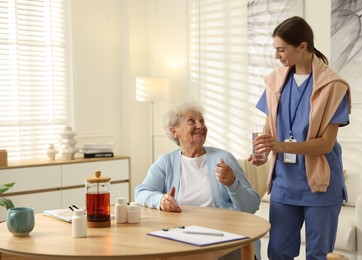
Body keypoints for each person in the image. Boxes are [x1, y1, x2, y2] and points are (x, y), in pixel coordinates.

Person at [249, 16, 351, 260]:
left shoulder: (333, 86)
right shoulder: (274, 81)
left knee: (319, 255)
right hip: (284, 183)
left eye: (281, 49)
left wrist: (279, 145)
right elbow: (269, 129)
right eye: (275, 48)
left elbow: (326, 144)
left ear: (302, 46)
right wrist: (262, 151)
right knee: (278, 252)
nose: (276, 55)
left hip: (320, 186)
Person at [135, 101, 261, 260]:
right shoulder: (166, 162)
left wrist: (233, 183)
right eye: (192, 121)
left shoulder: (223, 158)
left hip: (225, 237)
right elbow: (141, 192)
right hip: (182, 237)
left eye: (202, 121)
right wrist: (161, 200)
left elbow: (251, 206)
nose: (200, 125)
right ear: (175, 132)